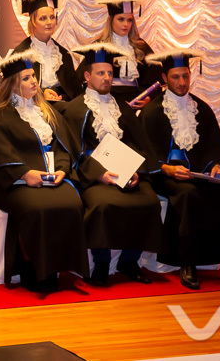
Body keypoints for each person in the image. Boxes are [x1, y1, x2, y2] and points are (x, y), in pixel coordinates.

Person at [140, 48, 220, 290]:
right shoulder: (152, 111)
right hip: (166, 176)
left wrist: (215, 166)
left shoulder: (201, 108)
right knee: (187, 195)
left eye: (185, 76)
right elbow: (146, 155)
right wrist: (168, 170)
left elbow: (213, 146)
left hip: (200, 173)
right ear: (164, 78)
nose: (182, 82)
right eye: (175, 77)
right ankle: (187, 263)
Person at [0, 50, 89, 292]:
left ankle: (60, 267)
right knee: (37, 208)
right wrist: (25, 174)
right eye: (26, 78)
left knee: (72, 202)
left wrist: (62, 170)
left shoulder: (47, 111)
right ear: (12, 83)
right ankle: (34, 269)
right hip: (12, 182)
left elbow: (62, 146)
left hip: (50, 176)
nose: (33, 82)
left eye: (33, 76)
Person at [61, 43, 164, 286]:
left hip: (125, 172)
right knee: (103, 204)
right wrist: (99, 174)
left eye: (109, 73)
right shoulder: (74, 109)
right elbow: (73, 152)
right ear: (87, 76)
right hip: (93, 175)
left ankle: (130, 261)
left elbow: (138, 143)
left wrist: (136, 171)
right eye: (100, 73)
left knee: (148, 201)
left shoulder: (122, 107)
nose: (107, 78)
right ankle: (101, 263)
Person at [10, 0, 81, 102]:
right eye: (43, 18)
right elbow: (14, 90)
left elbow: (73, 91)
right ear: (33, 22)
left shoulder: (63, 54)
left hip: (61, 103)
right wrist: (42, 94)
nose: (49, 22)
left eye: (52, 17)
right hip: (33, 104)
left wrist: (60, 96)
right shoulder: (21, 53)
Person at [90, 0, 160, 108]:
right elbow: (87, 78)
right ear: (111, 20)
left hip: (135, 101)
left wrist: (148, 97)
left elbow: (155, 77)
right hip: (106, 101)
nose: (126, 24)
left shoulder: (141, 46)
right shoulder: (98, 47)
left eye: (129, 20)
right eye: (121, 19)